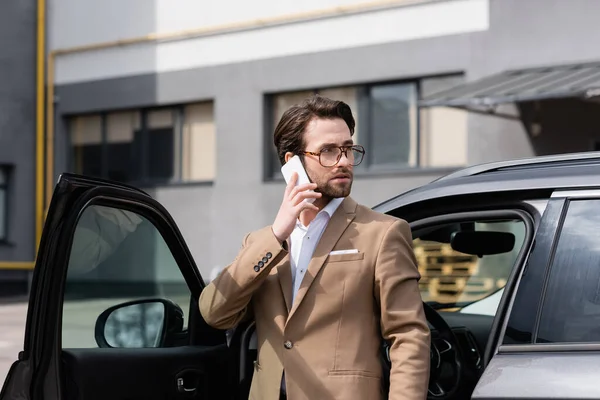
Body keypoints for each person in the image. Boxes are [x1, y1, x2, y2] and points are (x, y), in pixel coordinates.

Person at [199, 95, 430, 400]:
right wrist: (277, 234)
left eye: (348, 149)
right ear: (292, 162)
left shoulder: (383, 233)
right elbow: (214, 312)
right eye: (328, 151)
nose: (344, 161)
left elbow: (409, 336)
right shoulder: (261, 244)